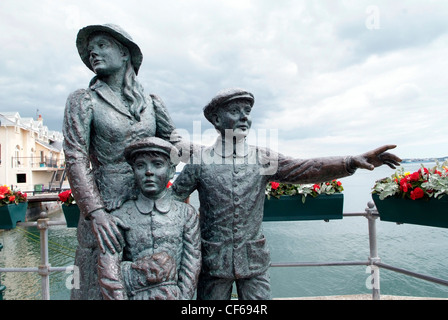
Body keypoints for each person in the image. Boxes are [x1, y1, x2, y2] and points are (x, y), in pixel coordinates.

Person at [172, 88, 402, 300]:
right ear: (216, 119)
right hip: (213, 261)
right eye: (235, 111)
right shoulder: (199, 162)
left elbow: (306, 168)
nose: (244, 117)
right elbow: (174, 201)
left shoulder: (262, 158)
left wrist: (350, 162)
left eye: (247, 111)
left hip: (254, 261)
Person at [63, 24, 188, 299]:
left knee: (149, 280)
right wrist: (95, 213)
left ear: (124, 54)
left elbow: (176, 150)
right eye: (90, 49)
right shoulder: (84, 100)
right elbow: (75, 158)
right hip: (106, 205)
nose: (93, 51)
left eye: (102, 45)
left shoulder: (153, 103)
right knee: (97, 284)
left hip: (148, 205)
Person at [97, 137, 201, 300]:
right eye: (140, 166)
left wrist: (182, 298)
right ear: (133, 171)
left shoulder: (186, 214)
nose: (148, 171)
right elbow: (109, 269)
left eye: (157, 164)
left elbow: (191, 265)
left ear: (172, 171)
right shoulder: (119, 216)